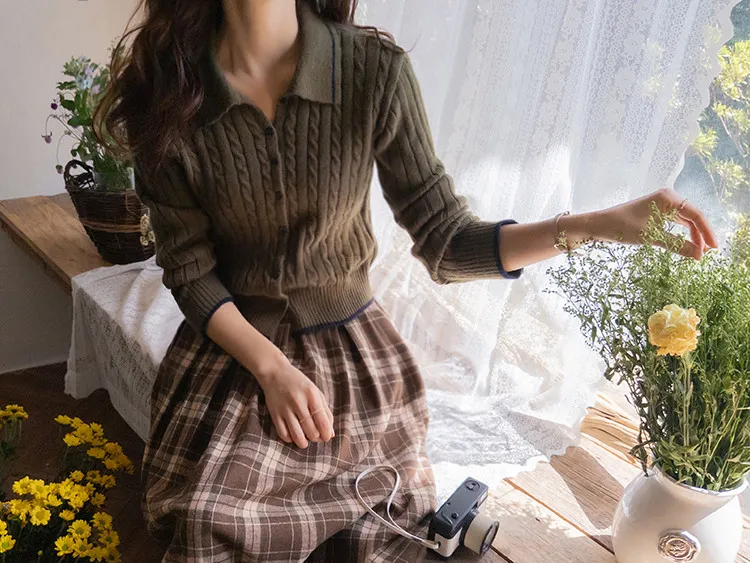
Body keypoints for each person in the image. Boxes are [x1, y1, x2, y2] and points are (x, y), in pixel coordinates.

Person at [96, 0, 718, 561]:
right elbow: (190, 270)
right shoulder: (167, 92)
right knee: (209, 521)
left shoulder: (370, 71)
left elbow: (447, 240)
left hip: (354, 361)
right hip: (237, 350)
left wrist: (596, 224)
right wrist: (272, 369)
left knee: (380, 534)